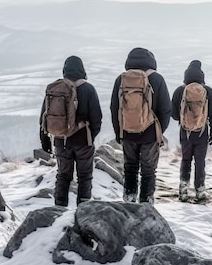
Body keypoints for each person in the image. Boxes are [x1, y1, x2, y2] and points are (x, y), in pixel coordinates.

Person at [110, 47, 171, 204]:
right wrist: (158, 131)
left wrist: (119, 132)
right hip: (150, 133)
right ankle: (146, 204)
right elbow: (165, 109)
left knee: (130, 168)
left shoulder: (121, 79)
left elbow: (114, 108)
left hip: (128, 133)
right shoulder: (157, 79)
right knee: (148, 171)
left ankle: (129, 201)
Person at [39, 55, 102, 207]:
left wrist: (45, 139)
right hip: (83, 141)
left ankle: (58, 210)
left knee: (63, 176)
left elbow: (44, 116)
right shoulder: (88, 89)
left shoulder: (56, 89)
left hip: (61, 140)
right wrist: (90, 136)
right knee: (85, 177)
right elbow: (97, 117)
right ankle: (83, 210)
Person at [171, 60, 212, 202]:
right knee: (199, 162)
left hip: (185, 132)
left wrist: (183, 118)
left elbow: (173, 114)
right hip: (202, 132)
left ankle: (183, 191)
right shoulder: (208, 91)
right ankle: (200, 192)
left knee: (186, 160)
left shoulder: (180, 91)